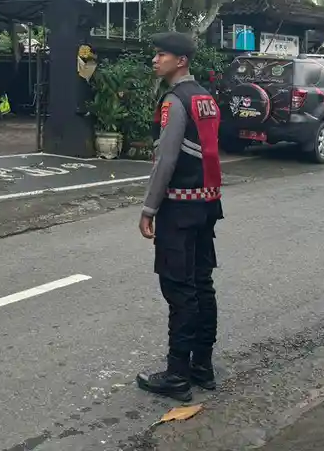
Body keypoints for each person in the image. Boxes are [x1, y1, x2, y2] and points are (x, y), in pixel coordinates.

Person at [136, 32, 224, 402]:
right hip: (207, 205)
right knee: (202, 285)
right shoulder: (205, 97)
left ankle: (176, 373)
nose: (156, 60)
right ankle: (202, 366)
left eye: (162, 55)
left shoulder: (175, 101)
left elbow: (166, 160)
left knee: (179, 289)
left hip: (179, 206)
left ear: (181, 60)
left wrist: (149, 208)